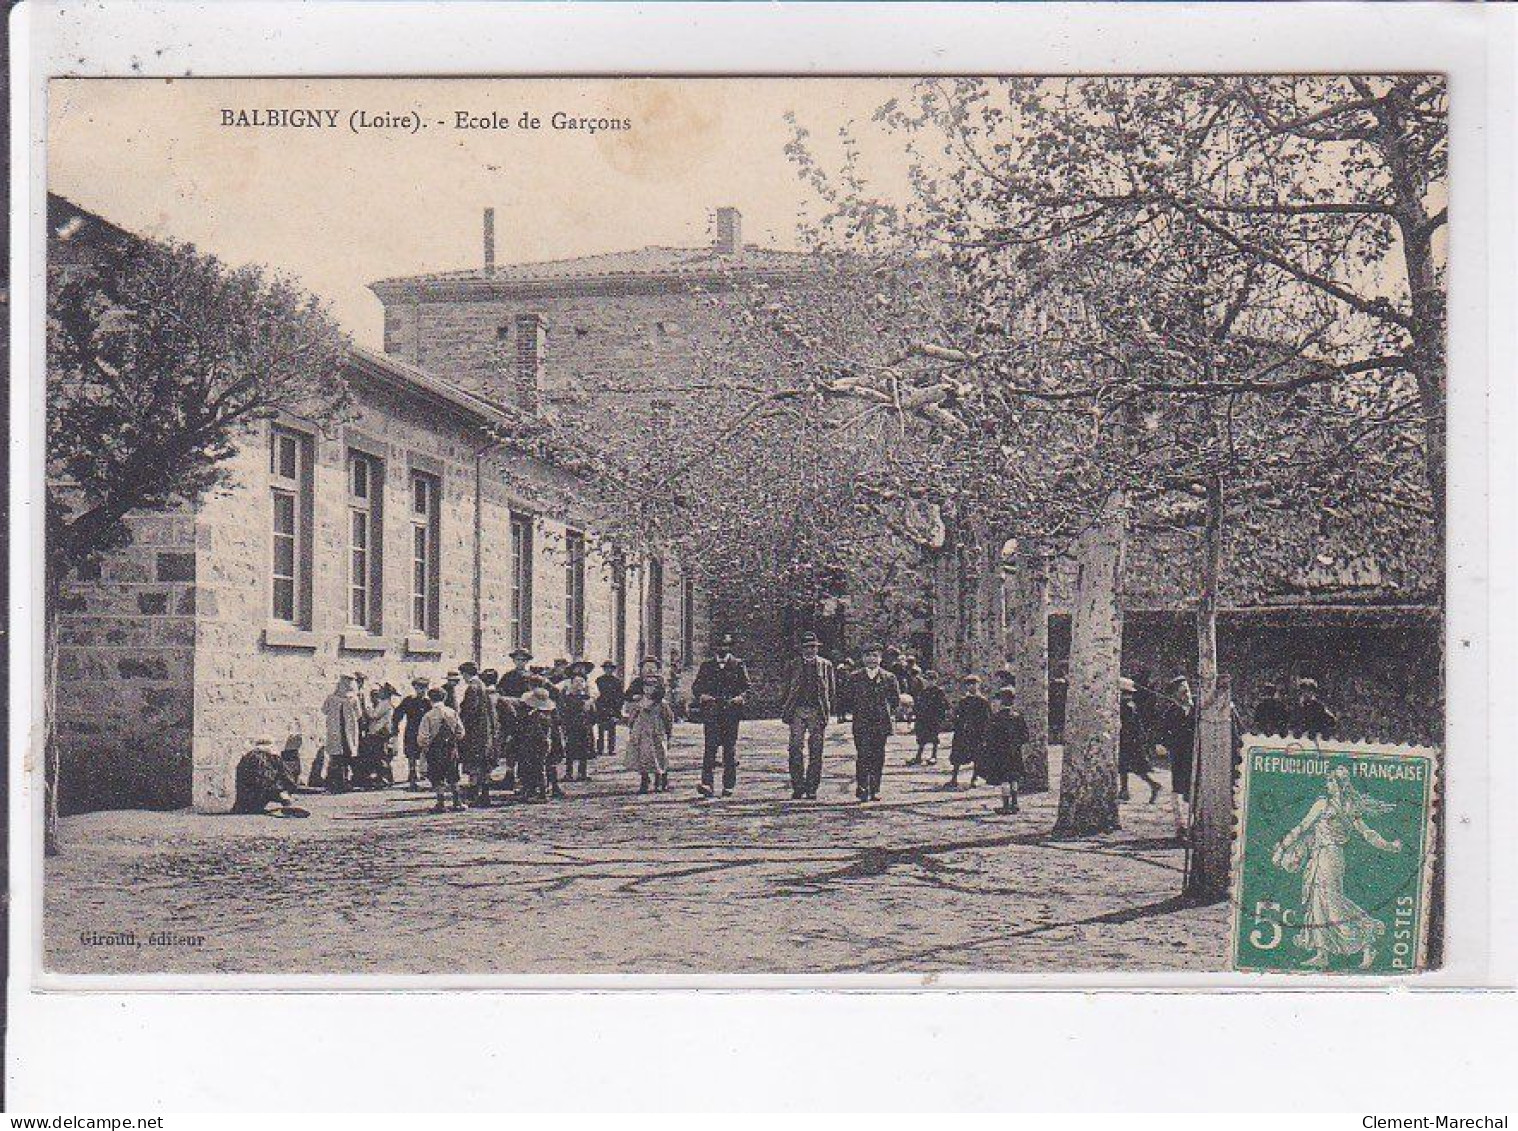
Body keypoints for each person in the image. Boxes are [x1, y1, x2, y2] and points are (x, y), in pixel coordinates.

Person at [1272, 765, 1402, 969]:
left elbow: (1366, 833)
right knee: (1318, 903)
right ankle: (1322, 952)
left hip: (1331, 856)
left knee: (1333, 905)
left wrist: (1389, 846)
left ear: (1340, 784)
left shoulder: (1347, 807)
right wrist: (1282, 847)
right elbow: (1302, 827)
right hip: (1320, 855)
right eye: (1328, 781)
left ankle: (1367, 943)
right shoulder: (1323, 804)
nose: (1328, 784)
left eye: (1332, 781)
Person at [691, 632, 750, 798]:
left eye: (726, 646)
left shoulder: (738, 664)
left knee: (729, 750)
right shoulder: (707, 666)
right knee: (710, 748)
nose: (722, 649)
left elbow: (747, 687)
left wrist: (740, 697)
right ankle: (707, 784)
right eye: (719, 646)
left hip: (731, 712)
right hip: (712, 712)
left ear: (730, 647)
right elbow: (697, 687)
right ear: (715, 649)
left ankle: (728, 785)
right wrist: (702, 696)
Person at [779, 631, 837, 801]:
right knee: (795, 748)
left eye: (813, 647)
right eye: (806, 647)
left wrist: (827, 710)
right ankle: (798, 786)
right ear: (801, 649)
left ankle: (812, 787)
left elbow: (831, 690)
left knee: (816, 749)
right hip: (798, 710)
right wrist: (786, 707)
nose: (810, 651)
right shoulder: (793, 665)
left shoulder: (826, 665)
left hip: (816, 710)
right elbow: (786, 687)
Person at [847, 644, 901, 802]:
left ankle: (875, 788)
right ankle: (862, 787)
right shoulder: (855, 677)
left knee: (878, 756)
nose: (871, 659)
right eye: (868, 656)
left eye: (875, 656)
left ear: (880, 658)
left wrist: (887, 712)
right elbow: (847, 698)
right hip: (861, 722)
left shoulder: (889, 677)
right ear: (863, 658)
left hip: (881, 722)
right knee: (863, 755)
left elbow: (895, 699)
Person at [1155, 676, 1197, 840]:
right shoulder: (1171, 713)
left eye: (1188, 690)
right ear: (1175, 696)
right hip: (1180, 757)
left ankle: (1196, 826)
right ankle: (1181, 826)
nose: (1187, 695)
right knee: (1179, 791)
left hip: (1197, 757)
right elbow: (1163, 734)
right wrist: (1163, 744)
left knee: (1195, 791)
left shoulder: (1200, 708)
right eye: (1183, 692)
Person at [978, 687, 1030, 815]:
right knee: (1014, 778)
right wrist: (1016, 744)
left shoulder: (996, 718)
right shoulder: (1018, 717)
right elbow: (1025, 736)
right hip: (1015, 752)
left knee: (1004, 779)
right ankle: (1015, 803)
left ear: (1001, 701)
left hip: (1000, 753)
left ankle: (1006, 805)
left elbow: (989, 737)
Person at [456, 661, 498, 808]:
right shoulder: (483, 686)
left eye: (463, 675)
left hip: (475, 732)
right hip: (485, 731)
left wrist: (460, 724)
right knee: (484, 764)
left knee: (473, 763)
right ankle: (485, 795)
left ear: (466, 674)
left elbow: (469, 710)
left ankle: (473, 796)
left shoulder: (472, 688)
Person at [418, 687, 466, 813]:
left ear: (430, 699)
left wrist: (425, 747)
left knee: (437, 775)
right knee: (453, 774)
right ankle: (457, 802)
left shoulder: (428, 715)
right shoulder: (452, 712)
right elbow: (460, 731)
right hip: (450, 747)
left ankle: (441, 803)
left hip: (435, 749)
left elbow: (423, 736)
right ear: (444, 698)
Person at [623, 678, 674, 794]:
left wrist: (668, 733)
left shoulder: (662, 704)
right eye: (646, 686)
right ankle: (644, 780)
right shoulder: (639, 702)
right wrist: (632, 727)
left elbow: (668, 719)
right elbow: (633, 717)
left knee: (659, 755)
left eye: (652, 686)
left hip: (657, 733)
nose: (648, 689)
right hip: (642, 733)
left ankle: (660, 779)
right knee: (643, 757)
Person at [232, 737, 305, 816]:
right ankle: (287, 802)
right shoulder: (270, 757)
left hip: (243, 802)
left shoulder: (247, 757)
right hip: (257, 797)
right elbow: (281, 779)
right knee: (281, 784)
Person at [1118, 676, 1162, 804]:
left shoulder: (1126, 706)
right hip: (1130, 740)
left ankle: (1153, 785)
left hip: (1130, 741)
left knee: (1134, 768)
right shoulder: (1129, 705)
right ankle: (1124, 790)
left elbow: (1130, 725)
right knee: (1124, 767)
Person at [514, 686, 559, 802]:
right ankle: (541, 792)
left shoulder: (537, 716)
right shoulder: (548, 715)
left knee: (537, 767)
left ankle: (541, 794)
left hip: (537, 743)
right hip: (544, 743)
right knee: (540, 767)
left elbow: (535, 732)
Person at [947, 674, 990, 789]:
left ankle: (974, 778)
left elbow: (987, 718)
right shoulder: (963, 701)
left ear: (978, 685)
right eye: (969, 684)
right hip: (963, 731)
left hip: (977, 732)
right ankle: (954, 778)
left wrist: (985, 732)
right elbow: (957, 715)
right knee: (957, 754)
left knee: (977, 755)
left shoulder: (983, 701)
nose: (972, 687)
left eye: (974, 684)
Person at [322, 674, 361, 793]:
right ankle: (341, 781)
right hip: (343, 731)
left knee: (338, 756)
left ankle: (338, 782)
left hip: (339, 731)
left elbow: (324, 710)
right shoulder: (352, 698)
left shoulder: (333, 698)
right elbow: (359, 714)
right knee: (343, 755)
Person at [393, 677, 433, 790]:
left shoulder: (428, 702)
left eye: (424, 688)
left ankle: (425, 775)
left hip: (425, 730)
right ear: (415, 688)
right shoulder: (409, 700)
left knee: (426, 753)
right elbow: (398, 713)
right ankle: (412, 775)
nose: (421, 690)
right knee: (411, 754)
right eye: (419, 688)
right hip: (411, 730)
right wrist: (395, 727)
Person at [560, 666, 596, 781]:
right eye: (576, 682)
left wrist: (589, 724)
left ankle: (582, 773)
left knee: (584, 750)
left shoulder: (588, 699)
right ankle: (568, 773)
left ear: (585, 684)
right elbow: (563, 713)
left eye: (581, 681)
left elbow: (594, 714)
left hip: (584, 728)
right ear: (571, 683)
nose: (579, 684)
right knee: (570, 750)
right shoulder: (567, 698)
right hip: (571, 728)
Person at [909, 670, 950, 766]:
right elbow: (918, 704)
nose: (930, 682)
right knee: (921, 737)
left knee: (934, 737)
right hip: (923, 718)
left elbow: (945, 705)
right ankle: (918, 756)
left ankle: (934, 756)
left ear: (935, 680)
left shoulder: (939, 692)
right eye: (928, 679)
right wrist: (915, 712)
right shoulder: (923, 692)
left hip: (934, 718)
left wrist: (941, 716)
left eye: (932, 679)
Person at [594, 661, 626, 759]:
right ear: (604, 669)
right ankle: (600, 749)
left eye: (610, 669)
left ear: (613, 670)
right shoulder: (599, 680)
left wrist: (618, 709)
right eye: (606, 668)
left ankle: (611, 749)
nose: (608, 670)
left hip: (613, 707)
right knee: (601, 729)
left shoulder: (617, 681)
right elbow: (596, 693)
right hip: (601, 706)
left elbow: (620, 696)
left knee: (612, 729)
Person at [833, 658, 855, 723]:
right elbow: (839, 681)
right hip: (840, 691)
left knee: (844, 705)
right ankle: (840, 718)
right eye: (849, 665)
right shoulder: (840, 670)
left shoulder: (846, 671)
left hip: (845, 690)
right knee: (840, 705)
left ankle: (843, 717)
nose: (850, 667)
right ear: (846, 664)